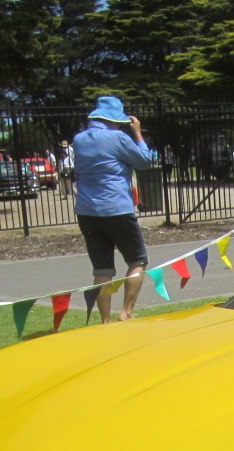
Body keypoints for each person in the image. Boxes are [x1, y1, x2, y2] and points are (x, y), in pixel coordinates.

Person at [73, 94, 152, 322]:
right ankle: (127, 312)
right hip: (117, 208)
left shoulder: (79, 139)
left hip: (87, 211)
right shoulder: (118, 137)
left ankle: (105, 320)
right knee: (137, 261)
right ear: (115, 119)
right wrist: (138, 133)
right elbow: (144, 161)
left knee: (102, 269)